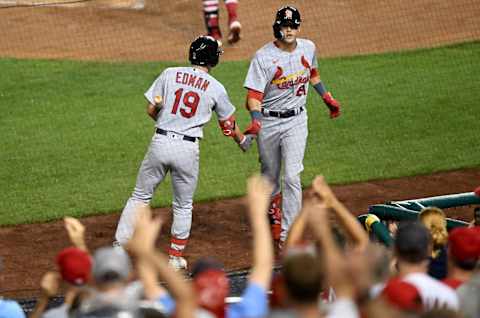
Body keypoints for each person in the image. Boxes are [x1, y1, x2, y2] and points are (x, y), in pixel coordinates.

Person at [114, 35, 249, 270]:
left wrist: (168, 120)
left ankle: (118, 248)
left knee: (140, 196)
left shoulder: (169, 73)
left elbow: (150, 110)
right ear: (212, 59)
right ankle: (175, 258)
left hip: (160, 141)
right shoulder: (216, 88)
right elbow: (228, 126)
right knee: (183, 205)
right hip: (187, 149)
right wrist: (243, 141)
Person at [242, 5, 341, 248]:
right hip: (269, 121)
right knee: (270, 177)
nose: (289, 30)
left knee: (292, 176)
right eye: (285, 26)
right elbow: (253, 96)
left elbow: (313, 74)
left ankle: (290, 234)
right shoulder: (263, 57)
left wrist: (326, 97)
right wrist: (256, 119)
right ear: (277, 27)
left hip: (297, 120)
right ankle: (274, 212)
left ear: (298, 26)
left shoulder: (309, 47)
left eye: (293, 25)